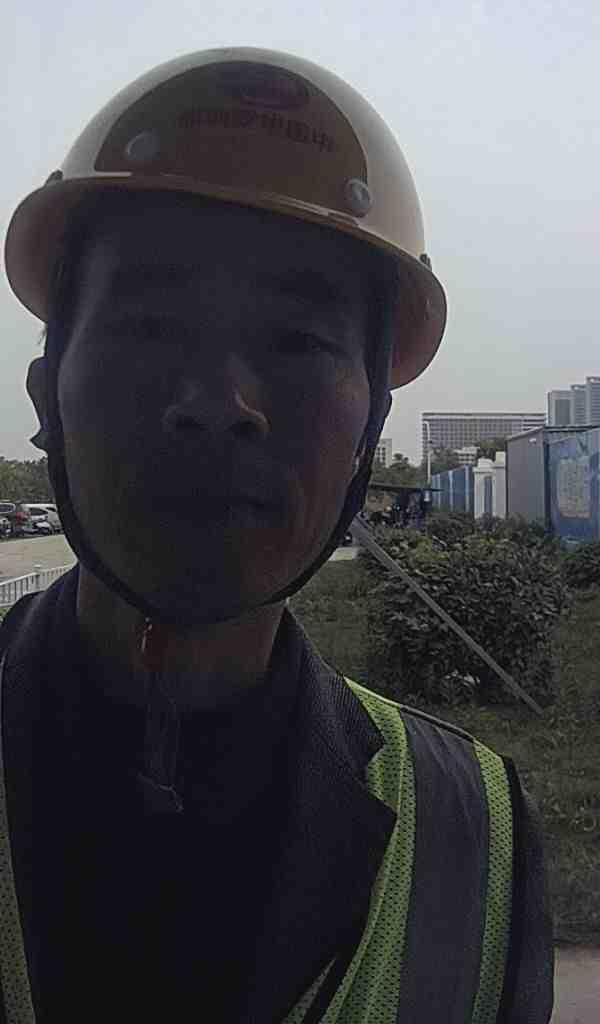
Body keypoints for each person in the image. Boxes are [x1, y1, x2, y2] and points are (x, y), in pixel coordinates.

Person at [1, 49, 554, 1023]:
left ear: (368, 431)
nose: (220, 403)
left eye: (296, 341)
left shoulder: (474, 832)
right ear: (48, 398)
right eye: (150, 325)